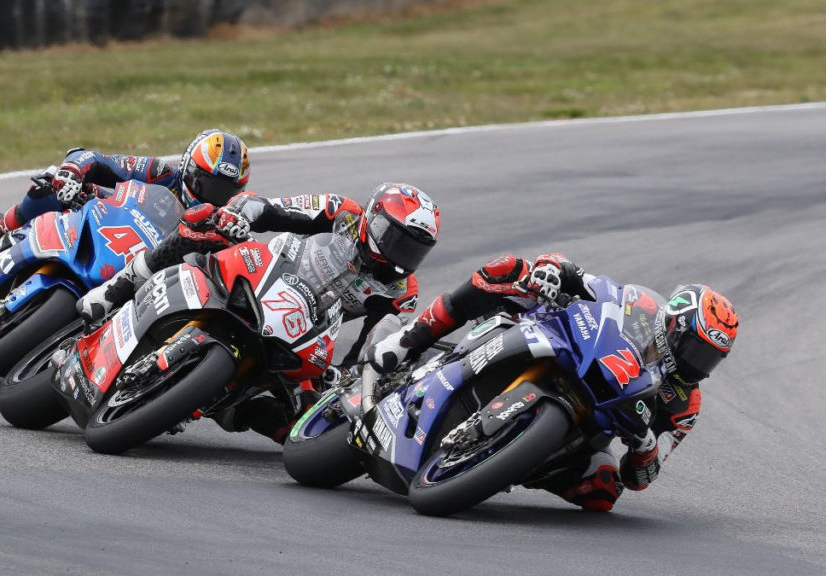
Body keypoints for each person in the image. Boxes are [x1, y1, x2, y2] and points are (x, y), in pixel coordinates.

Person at [366, 253, 739, 511]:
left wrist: (643, 445)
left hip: (592, 422)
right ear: (673, 324)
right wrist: (551, 270)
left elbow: (643, 476)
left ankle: (510, 462)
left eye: (708, 358)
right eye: (693, 347)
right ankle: (405, 341)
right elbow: (584, 278)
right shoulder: (641, 306)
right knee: (507, 269)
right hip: (555, 339)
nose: (696, 363)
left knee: (605, 491)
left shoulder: (684, 404)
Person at [78, 182, 442, 443]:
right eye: (395, 239)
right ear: (373, 221)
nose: (401, 256)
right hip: (264, 272)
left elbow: (370, 346)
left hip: (304, 331)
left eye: (413, 251)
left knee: (302, 421)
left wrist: (344, 377)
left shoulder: (401, 292)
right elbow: (269, 207)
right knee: (202, 227)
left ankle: (229, 408)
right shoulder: (341, 212)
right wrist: (241, 216)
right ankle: (115, 290)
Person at [0, 129, 251, 271]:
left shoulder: (218, 224)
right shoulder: (161, 172)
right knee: (52, 186)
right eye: (207, 183)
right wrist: (72, 173)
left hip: (137, 270)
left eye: (223, 192)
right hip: (100, 222)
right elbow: (93, 158)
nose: (212, 195)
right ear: (188, 168)